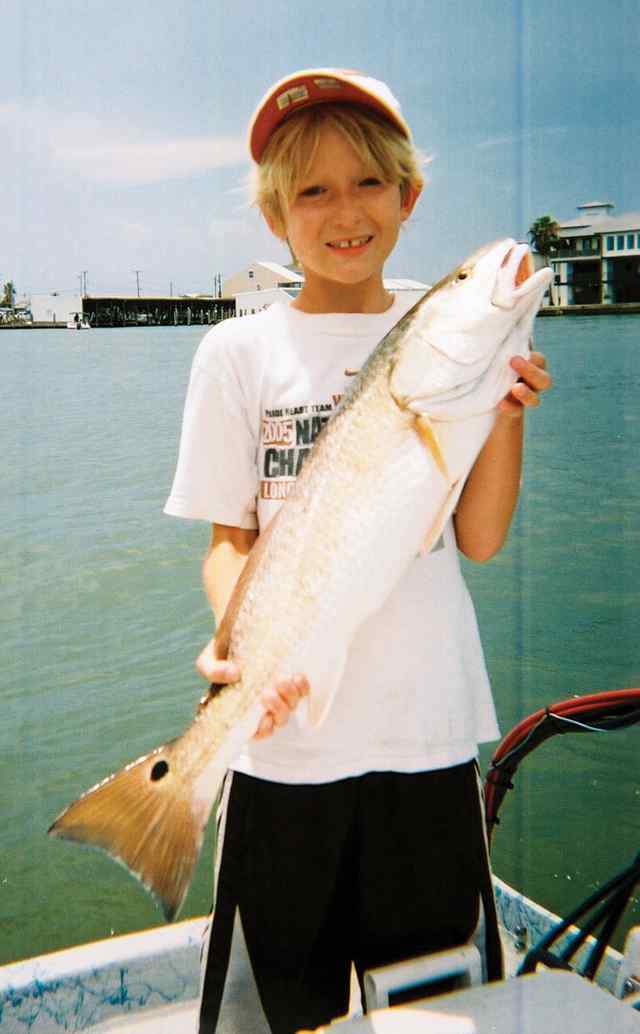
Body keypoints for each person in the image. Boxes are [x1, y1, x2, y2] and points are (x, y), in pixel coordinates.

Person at [164, 68, 552, 1034]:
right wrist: (236, 649)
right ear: (274, 218)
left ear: (409, 195)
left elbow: (479, 540)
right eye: (312, 191)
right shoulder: (237, 354)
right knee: (284, 1012)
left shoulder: (446, 341)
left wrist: (505, 413)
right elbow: (228, 543)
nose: (345, 211)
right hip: (283, 753)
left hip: (427, 736)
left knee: (430, 1010)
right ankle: (168, 803)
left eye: (369, 182)